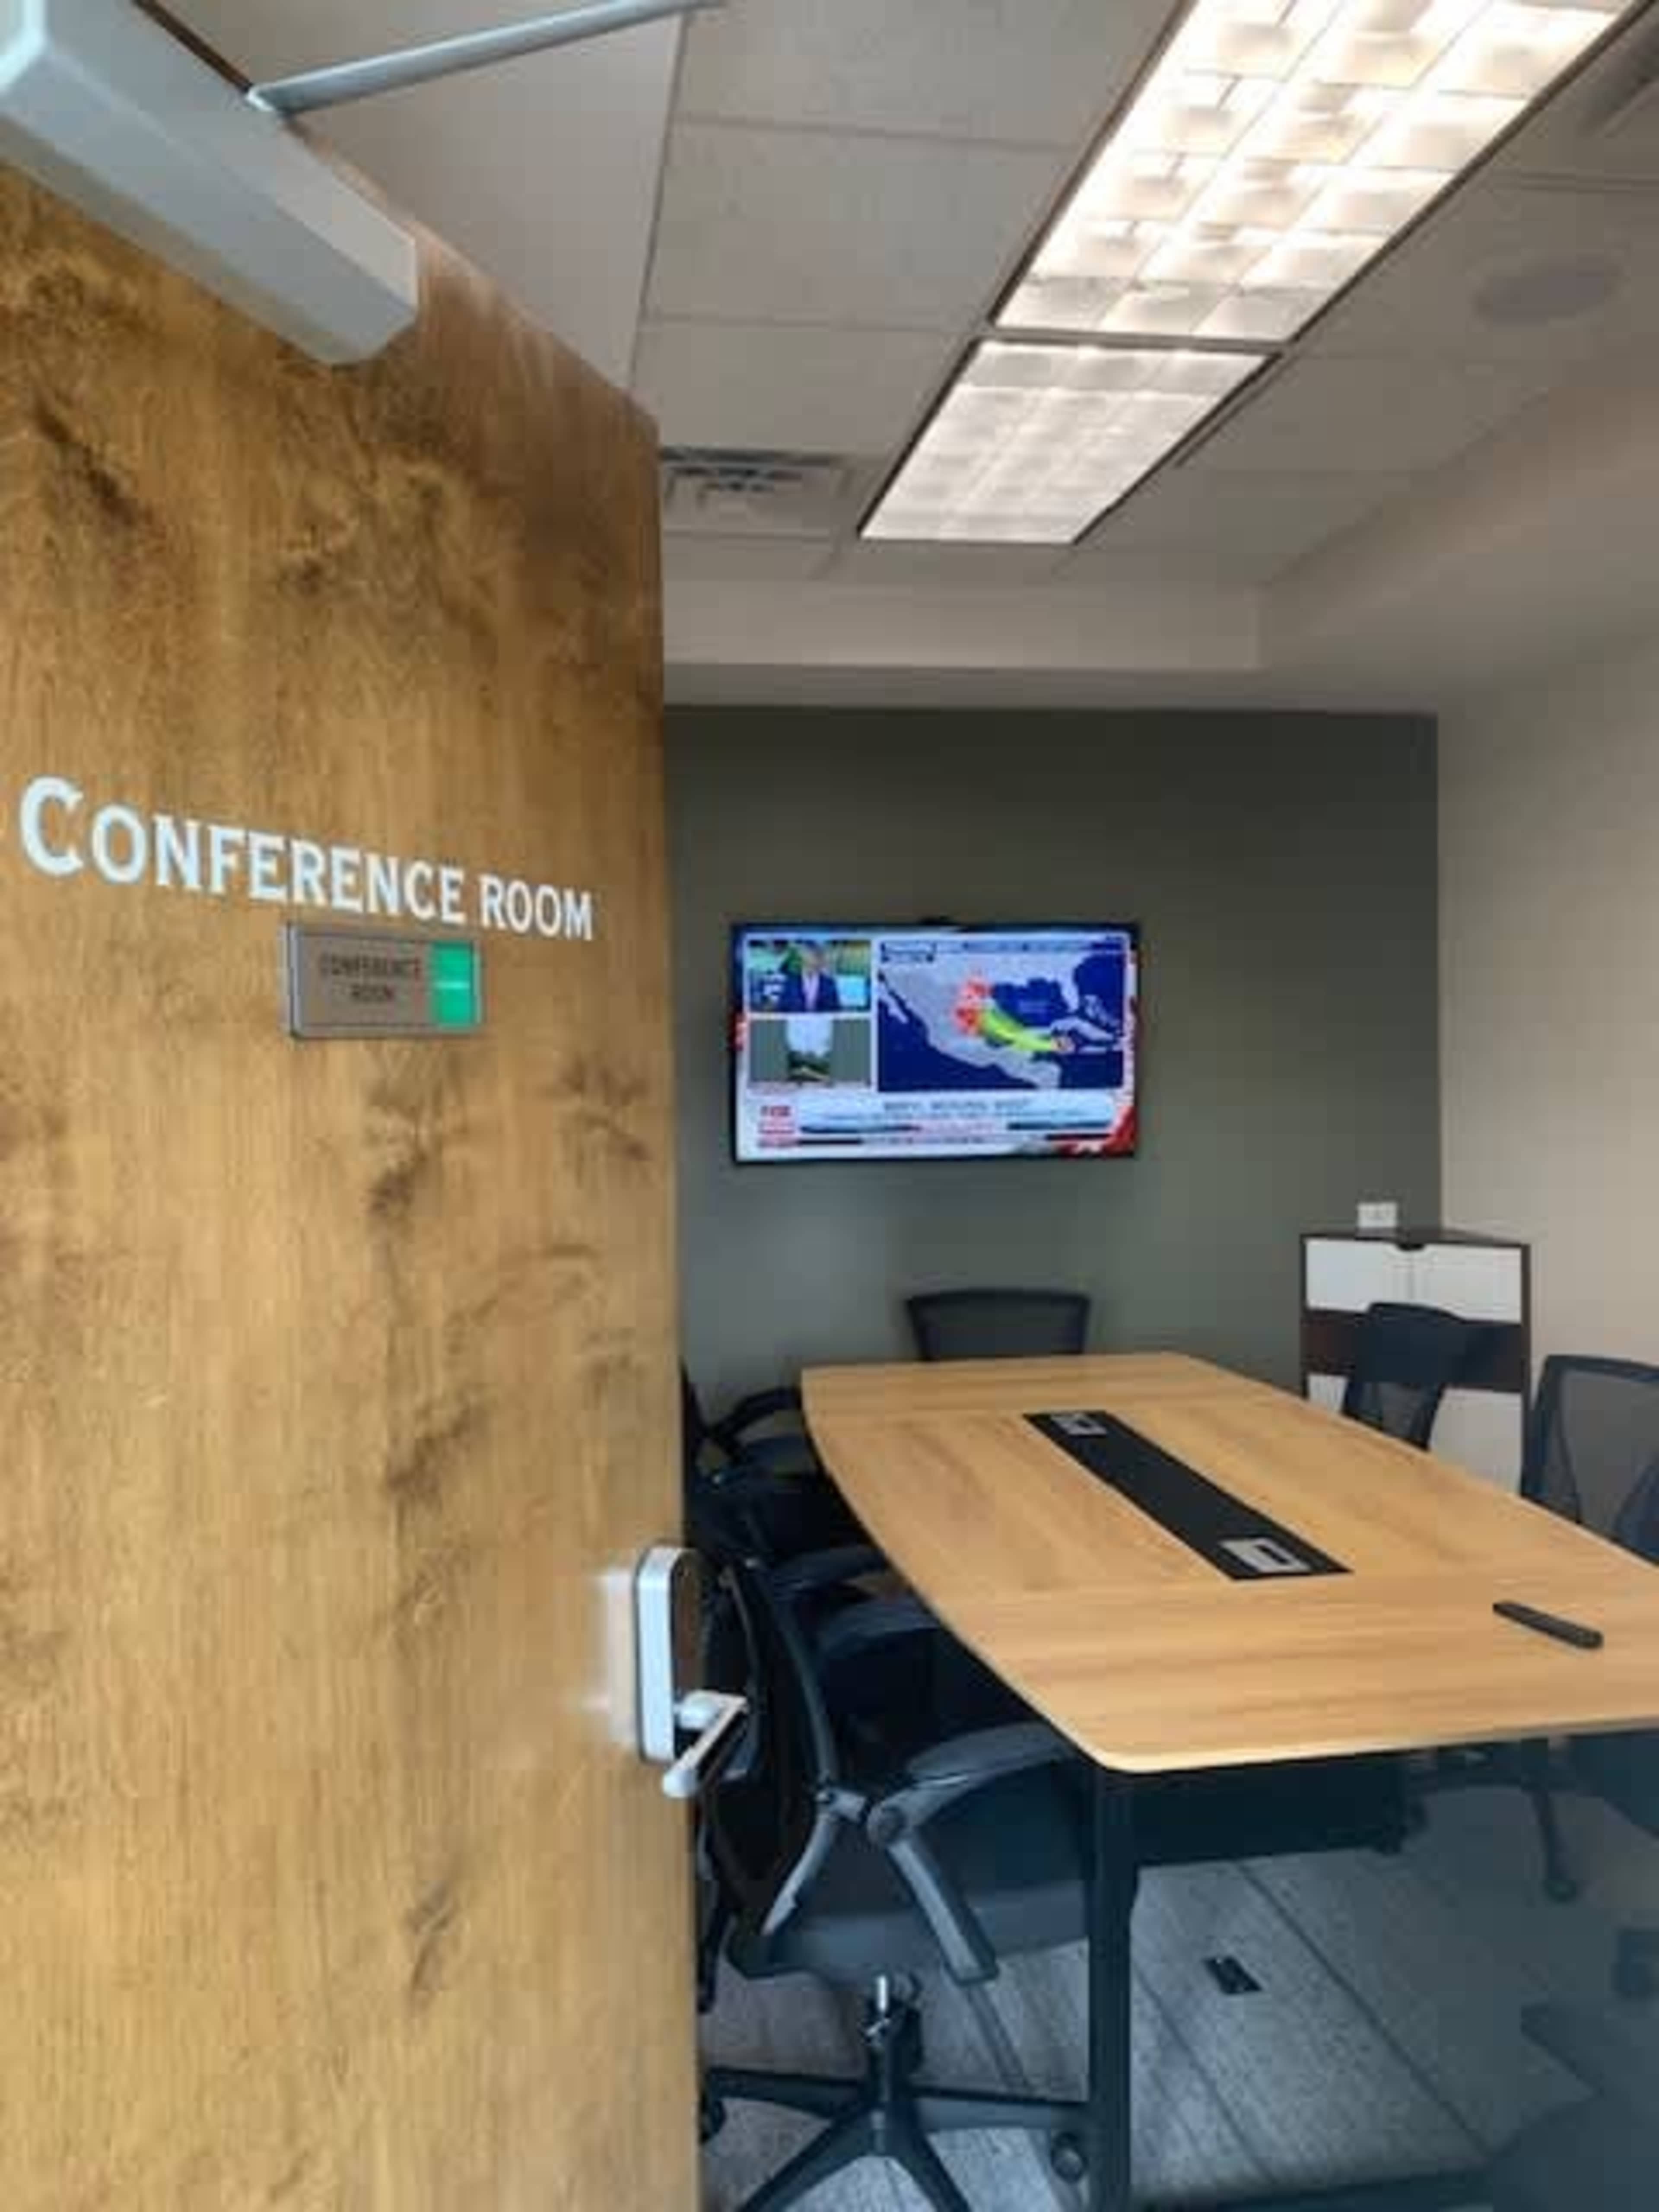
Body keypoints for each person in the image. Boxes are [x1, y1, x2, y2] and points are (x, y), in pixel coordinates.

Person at [779, 941, 841, 1013]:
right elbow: (782, 1008)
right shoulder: (791, 982)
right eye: (809, 955)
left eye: (815, 956)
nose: (812, 959)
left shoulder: (829, 983)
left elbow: (835, 1010)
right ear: (803, 958)